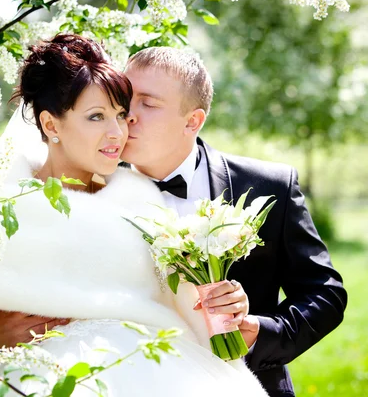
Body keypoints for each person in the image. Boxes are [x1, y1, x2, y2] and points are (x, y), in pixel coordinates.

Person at [0, 34, 268, 396]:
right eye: (96, 117)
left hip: (156, 370)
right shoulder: (6, 202)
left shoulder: (139, 197)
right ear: (51, 125)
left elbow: (182, 302)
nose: (117, 133)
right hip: (49, 374)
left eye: (120, 116)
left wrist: (227, 302)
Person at [118, 47, 348, 396]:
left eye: (148, 104)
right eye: (125, 98)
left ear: (192, 121)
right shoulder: (92, 189)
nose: (128, 115)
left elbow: (325, 294)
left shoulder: (269, 187)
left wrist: (258, 330)